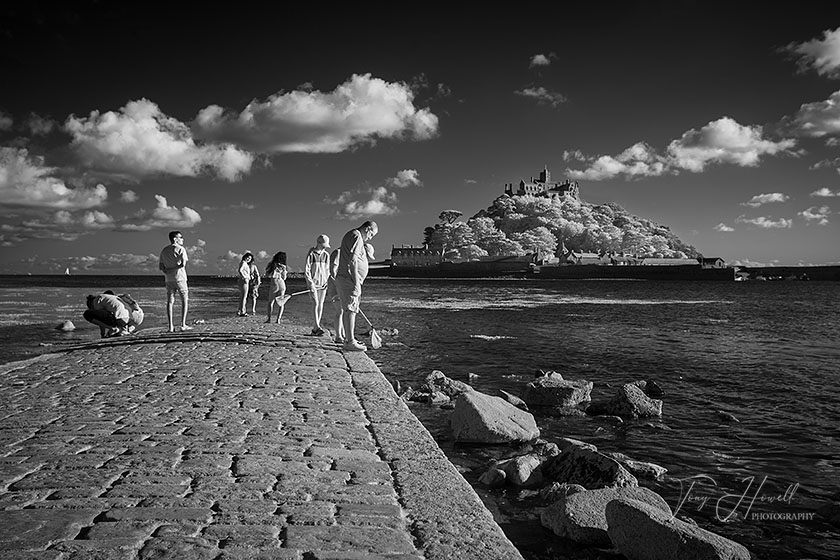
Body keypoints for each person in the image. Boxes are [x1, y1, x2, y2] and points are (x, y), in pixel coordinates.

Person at [335, 220, 378, 351]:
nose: (370, 238)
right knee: (351, 310)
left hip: (345, 278)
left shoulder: (351, 234)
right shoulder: (357, 236)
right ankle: (350, 342)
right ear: (368, 229)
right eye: (372, 235)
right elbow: (352, 261)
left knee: (349, 309)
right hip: (350, 279)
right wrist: (356, 282)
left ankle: (349, 338)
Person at [158, 230, 192, 332]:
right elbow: (183, 264)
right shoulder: (181, 249)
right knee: (184, 300)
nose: (182, 239)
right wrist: (174, 268)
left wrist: (168, 270)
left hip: (169, 279)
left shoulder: (164, 250)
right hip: (180, 277)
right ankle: (183, 324)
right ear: (175, 239)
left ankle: (171, 326)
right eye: (180, 237)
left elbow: (161, 267)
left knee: (170, 302)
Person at [304, 234, 330, 336]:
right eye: (323, 245)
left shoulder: (326, 255)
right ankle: (316, 327)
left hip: (323, 284)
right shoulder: (311, 254)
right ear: (318, 243)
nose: (325, 247)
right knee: (315, 303)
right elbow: (307, 270)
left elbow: (327, 270)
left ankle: (316, 327)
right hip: (313, 284)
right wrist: (310, 283)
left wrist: (327, 282)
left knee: (321, 304)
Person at [325, 247, 344, 343]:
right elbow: (333, 272)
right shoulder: (337, 253)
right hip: (335, 286)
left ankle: (343, 334)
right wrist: (338, 286)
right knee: (340, 311)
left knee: (343, 311)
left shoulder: (345, 254)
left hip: (341, 286)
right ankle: (338, 336)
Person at [264, 251, 288, 323]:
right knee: (281, 303)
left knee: (271, 302)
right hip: (281, 284)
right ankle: (278, 319)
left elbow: (267, 275)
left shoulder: (273, 265)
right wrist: (283, 270)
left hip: (275, 284)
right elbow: (284, 278)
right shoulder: (281, 266)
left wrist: (282, 270)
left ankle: (269, 319)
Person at [236, 252, 254, 316]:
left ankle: (240, 310)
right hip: (244, 281)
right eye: (248, 257)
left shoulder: (244, 263)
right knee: (244, 297)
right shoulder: (243, 263)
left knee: (242, 296)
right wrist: (245, 277)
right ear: (245, 257)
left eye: (250, 258)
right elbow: (240, 270)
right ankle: (243, 311)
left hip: (243, 280)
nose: (248, 259)